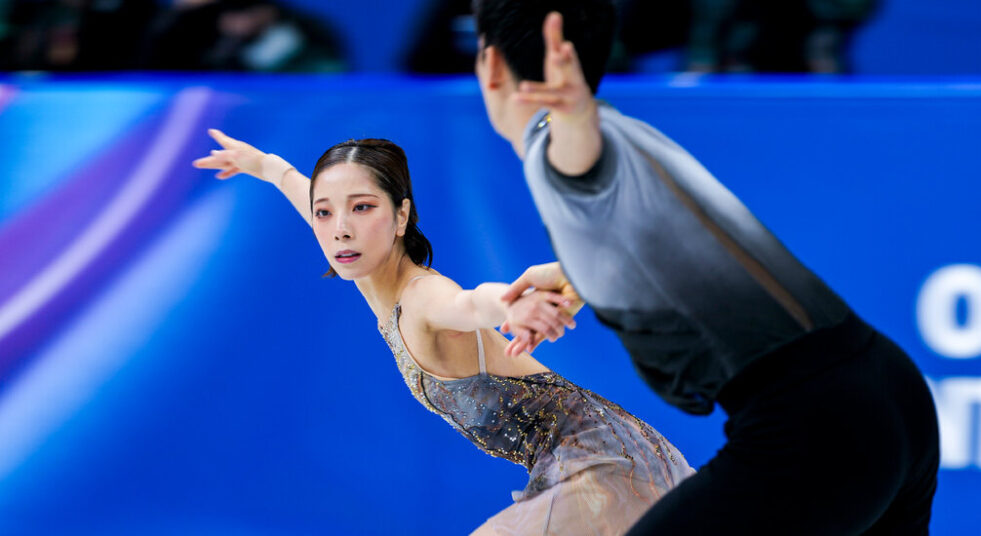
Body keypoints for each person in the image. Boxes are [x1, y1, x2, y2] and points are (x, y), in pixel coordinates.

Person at [471, 0, 939, 533]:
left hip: (818, 422)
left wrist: (572, 119)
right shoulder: (627, 133)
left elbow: (578, 163)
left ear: (490, 64)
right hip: (890, 391)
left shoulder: (556, 144)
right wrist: (584, 274)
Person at [192, 131, 694, 534]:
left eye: (363, 207)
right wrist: (261, 164)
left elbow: (470, 302)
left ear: (401, 215)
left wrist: (511, 304)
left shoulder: (420, 297)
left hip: (602, 458)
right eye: (325, 212)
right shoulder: (358, 258)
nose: (339, 228)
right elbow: (300, 187)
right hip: (573, 458)